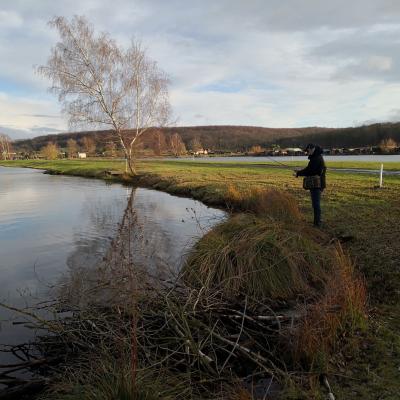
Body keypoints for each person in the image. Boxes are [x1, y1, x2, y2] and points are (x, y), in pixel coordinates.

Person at [295, 144, 326, 227]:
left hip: (317, 185)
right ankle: (318, 220)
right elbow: (309, 169)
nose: (307, 153)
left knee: (316, 204)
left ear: (312, 149)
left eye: (307, 151)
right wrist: (299, 172)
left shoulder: (316, 158)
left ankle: (317, 223)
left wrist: (298, 173)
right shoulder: (317, 157)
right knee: (315, 203)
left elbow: (310, 171)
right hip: (318, 184)